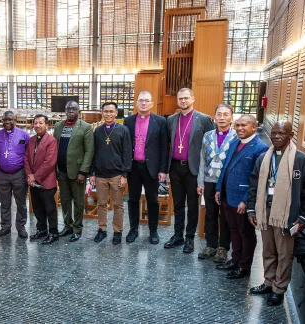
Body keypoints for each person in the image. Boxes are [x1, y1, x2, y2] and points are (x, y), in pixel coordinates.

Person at [247, 120, 305, 306]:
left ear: (290, 135)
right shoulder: (263, 158)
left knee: (284, 254)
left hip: (288, 215)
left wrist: (303, 218)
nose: (277, 137)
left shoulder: (301, 160)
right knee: (268, 250)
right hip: (266, 212)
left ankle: (279, 289)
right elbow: (254, 186)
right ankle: (268, 282)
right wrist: (252, 209)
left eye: (282, 134)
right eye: (275, 133)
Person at [214, 115, 268, 279]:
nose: (239, 128)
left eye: (244, 125)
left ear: (254, 127)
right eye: (237, 125)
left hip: (243, 200)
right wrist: (218, 188)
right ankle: (235, 259)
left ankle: (244, 266)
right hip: (228, 196)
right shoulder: (234, 143)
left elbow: (257, 178)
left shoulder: (260, 148)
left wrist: (246, 200)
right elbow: (225, 168)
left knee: (246, 234)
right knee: (233, 230)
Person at [165, 88, 215, 253]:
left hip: (193, 169)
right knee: (178, 205)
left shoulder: (204, 119)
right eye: (180, 99)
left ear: (192, 99)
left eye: (186, 98)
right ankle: (177, 235)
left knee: (192, 206)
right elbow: (168, 145)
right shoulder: (171, 119)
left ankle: (189, 238)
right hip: (175, 167)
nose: (183, 101)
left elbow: (210, 146)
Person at [123, 91, 168, 244]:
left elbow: (164, 147)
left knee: (153, 200)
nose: (143, 103)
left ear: (152, 103)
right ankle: (133, 229)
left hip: (152, 167)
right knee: (133, 199)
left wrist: (163, 170)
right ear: (136, 103)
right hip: (134, 167)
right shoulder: (128, 120)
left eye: (147, 101)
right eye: (141, 100)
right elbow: (125, 146)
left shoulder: (160, 121)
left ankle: (153, 230)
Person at [196, 103, 237, 262]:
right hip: (209, 181)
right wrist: (200, 182)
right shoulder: (207, 136)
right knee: (210, 214)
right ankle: (211, 245)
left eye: (225, 114)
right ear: (214, 116)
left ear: (231, 117)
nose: (222, 117)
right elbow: (201, 160)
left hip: (227, 183)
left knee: (225, 216)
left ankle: (223, 247)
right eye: (219, 114)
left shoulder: (235, 137)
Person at [90, 102, 132, 244]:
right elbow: (93, 153)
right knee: (101, 204)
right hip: (100, 175)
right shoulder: (98, 131)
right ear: (102, 113)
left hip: (117, 176)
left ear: (116, 113)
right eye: (106, 111)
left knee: (118, 205)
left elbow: (127, 154)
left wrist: (124, 175)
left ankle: (117, 232)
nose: (108, 114)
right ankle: (102, 230)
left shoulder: (123, 130)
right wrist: (92, 173)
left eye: (111, 111)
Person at [53, 101, 94, 242]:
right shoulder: (58, 126)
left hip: (77, 172)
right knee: (64, 201)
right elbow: (54, 147)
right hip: (61, 171)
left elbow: (89, 151)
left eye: (74, 109)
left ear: (79, 111)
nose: (70, 111)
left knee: (78, 202)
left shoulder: (86, 127)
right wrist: (54, 168)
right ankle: (67, 226)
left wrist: (83, 171)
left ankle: (77, 228)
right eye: (68, 109)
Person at [0, 111, 30, 239]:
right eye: (4, 120)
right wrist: (4, 163)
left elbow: (28, 154)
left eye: (10, 119)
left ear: (15, 120)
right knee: (4, 203)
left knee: (21, 203)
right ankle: (5, 227)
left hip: (19, 174)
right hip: (2, 175)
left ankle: (21, 227)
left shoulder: (24, 135)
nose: (7, 122)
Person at [24, 114, 59, 244]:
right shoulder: (31, 140)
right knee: (37, 207)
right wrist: (29, 175)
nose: (37, 125)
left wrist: (35, 176)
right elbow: (26, 159)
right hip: (33, 181)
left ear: (47, 125)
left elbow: (49, 162)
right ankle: (42, 229)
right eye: (35, 123)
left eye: (40, 123)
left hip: (46, 181)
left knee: (49, 208)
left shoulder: (51, 141)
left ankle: (53, 232)